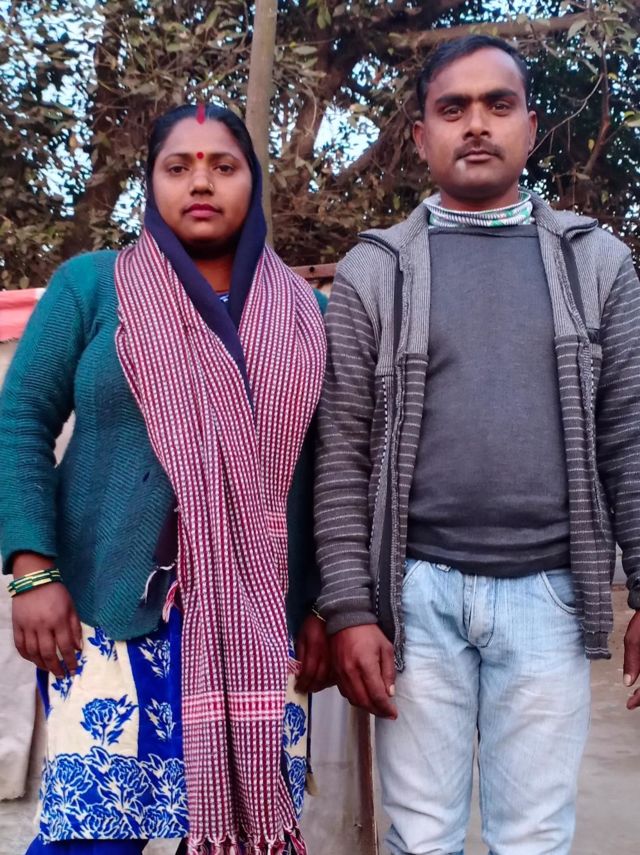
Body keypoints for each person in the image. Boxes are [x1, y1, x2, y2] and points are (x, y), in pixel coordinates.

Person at [315, 35, 640, 855]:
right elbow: (342, 452)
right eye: (452, 108)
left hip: (551, 594)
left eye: (499, 104)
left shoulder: (597, 263)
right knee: (420, 836)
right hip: (415, 594)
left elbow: (629, 433)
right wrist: (351, 609)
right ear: (421, 135)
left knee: (532, 836)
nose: (476, 124)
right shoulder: (373, 271)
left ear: (531, 126)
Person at [0, 103, 330, 855]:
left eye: (224, 166)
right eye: (178, 167)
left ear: (254, 182)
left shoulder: (303, 314)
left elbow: (324, 470)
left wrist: (321, 603)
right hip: (108, 614)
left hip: (258, 623)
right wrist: (31, 568)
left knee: (239, 835)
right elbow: (20, 420)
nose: (200, 183)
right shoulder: (94, 287)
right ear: (151, 183)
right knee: (91, 838)